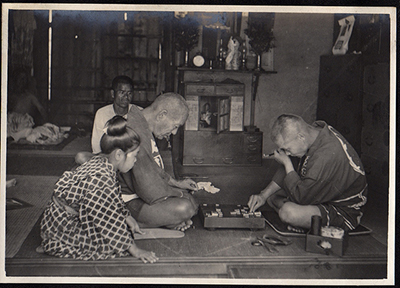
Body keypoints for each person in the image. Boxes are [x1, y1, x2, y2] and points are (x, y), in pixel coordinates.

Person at [38, 116, 158, 263]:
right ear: (119, 154)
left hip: (62, 216)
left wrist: (127, 217)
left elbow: (112, 198)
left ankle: (56, 240)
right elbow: (107, 219)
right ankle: (55, 244)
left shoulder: (101, 161)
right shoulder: (100, 179)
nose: (136, 160)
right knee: (109, 247)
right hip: (62, 225)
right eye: (135, 155)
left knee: (119, 232)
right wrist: (134, 249)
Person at [248, 114, 368, 232]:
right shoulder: (314, 133)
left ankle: (300, 222)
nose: (287, 153)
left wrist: (287, 163)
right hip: (318, 195)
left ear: (301, 137)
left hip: (341, 210)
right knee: (271, 196)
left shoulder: (325, 155)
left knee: (288, 212)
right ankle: (302, 222)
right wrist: (263, 195)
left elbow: (302, 197)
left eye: (288, 149)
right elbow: (292, 166)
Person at [118, 92, 198, 232]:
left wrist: (176, 183)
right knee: (187, 207)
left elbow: (152, 167)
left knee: (190, 202)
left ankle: (166, 220)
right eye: (175, 126)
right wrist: (179, 193)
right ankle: (134, 224)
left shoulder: (141, 121)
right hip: (127, 203)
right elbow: (149, 191)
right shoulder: (134, 132)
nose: (174, 132)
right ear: (161, 115)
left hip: (139, 195)